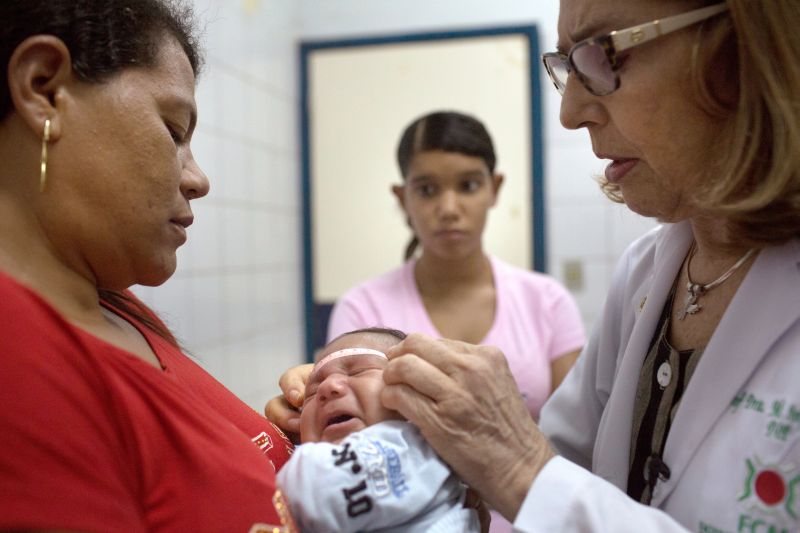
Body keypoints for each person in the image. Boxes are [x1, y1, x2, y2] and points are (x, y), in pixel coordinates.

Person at [270, 1, 800, 531]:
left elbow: (539, 474)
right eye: (567, 66)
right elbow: (565, 468)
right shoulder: (647, 273)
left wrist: (514, 463)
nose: (569, 113)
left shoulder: (545, 298)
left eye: (602, 55)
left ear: (745, 41)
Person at [0, 2, 295, 531]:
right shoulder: (16, 346)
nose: (198, 179)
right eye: (174, 129)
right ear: (44, 88)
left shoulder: (111, 303)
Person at [324, 110, 585, 532]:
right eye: (427, 190)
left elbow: (575, 445)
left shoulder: (547, 302)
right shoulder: (362, 308)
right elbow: (345, 445)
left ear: (494, 188)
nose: (448, 209)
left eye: (468, 185)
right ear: (402, 196)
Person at [277, 327, 482, 532]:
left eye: (358, 371)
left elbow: (307, 481)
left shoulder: (418, 445)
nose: (327, 387)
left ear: (417, 392)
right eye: (311, 392)